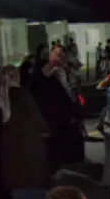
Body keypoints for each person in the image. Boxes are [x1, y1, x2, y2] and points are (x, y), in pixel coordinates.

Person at [0, 65, 50, 199]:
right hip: (28, 141)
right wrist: (45, 131)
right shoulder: (22, 94)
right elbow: (36, 117)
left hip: (9, 144)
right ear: (16, 76)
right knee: (33, 179)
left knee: (17, 179)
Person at [29, 45, 84, 174]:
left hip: (53, 125)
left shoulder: (50, 82)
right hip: (53, 125)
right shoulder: (42, 84)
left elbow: (66, 100)